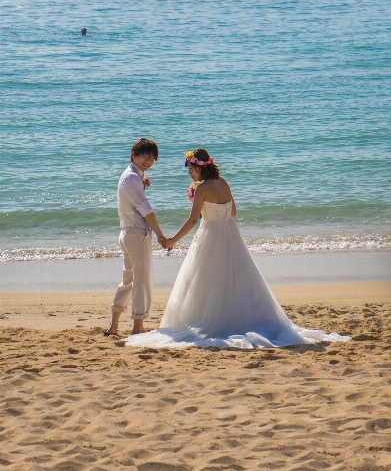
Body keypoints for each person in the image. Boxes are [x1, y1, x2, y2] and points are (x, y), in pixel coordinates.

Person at [124, 148, 350, 349]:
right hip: (231, 235)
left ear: (199, 168)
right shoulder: (224, 183)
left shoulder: (202, 189)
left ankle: (216, 319)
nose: (190, 174)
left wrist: (172, 240)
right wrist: (215, 212)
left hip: (211, 236)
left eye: (191, 169)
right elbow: (233, 212)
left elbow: (193, 220)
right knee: (237, 278)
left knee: (208, 280)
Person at [104, 138, 166, 336]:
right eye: (144, 156)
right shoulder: (131, 177)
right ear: (134, 155)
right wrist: (160, 234)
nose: (148, 161)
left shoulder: (131, 176)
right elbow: (145, 208)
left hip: (128, 232)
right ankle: (138, 327)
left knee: (129, 280)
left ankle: (114, 326)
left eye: (152, 158)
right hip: (136, 233)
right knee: (142, 280)